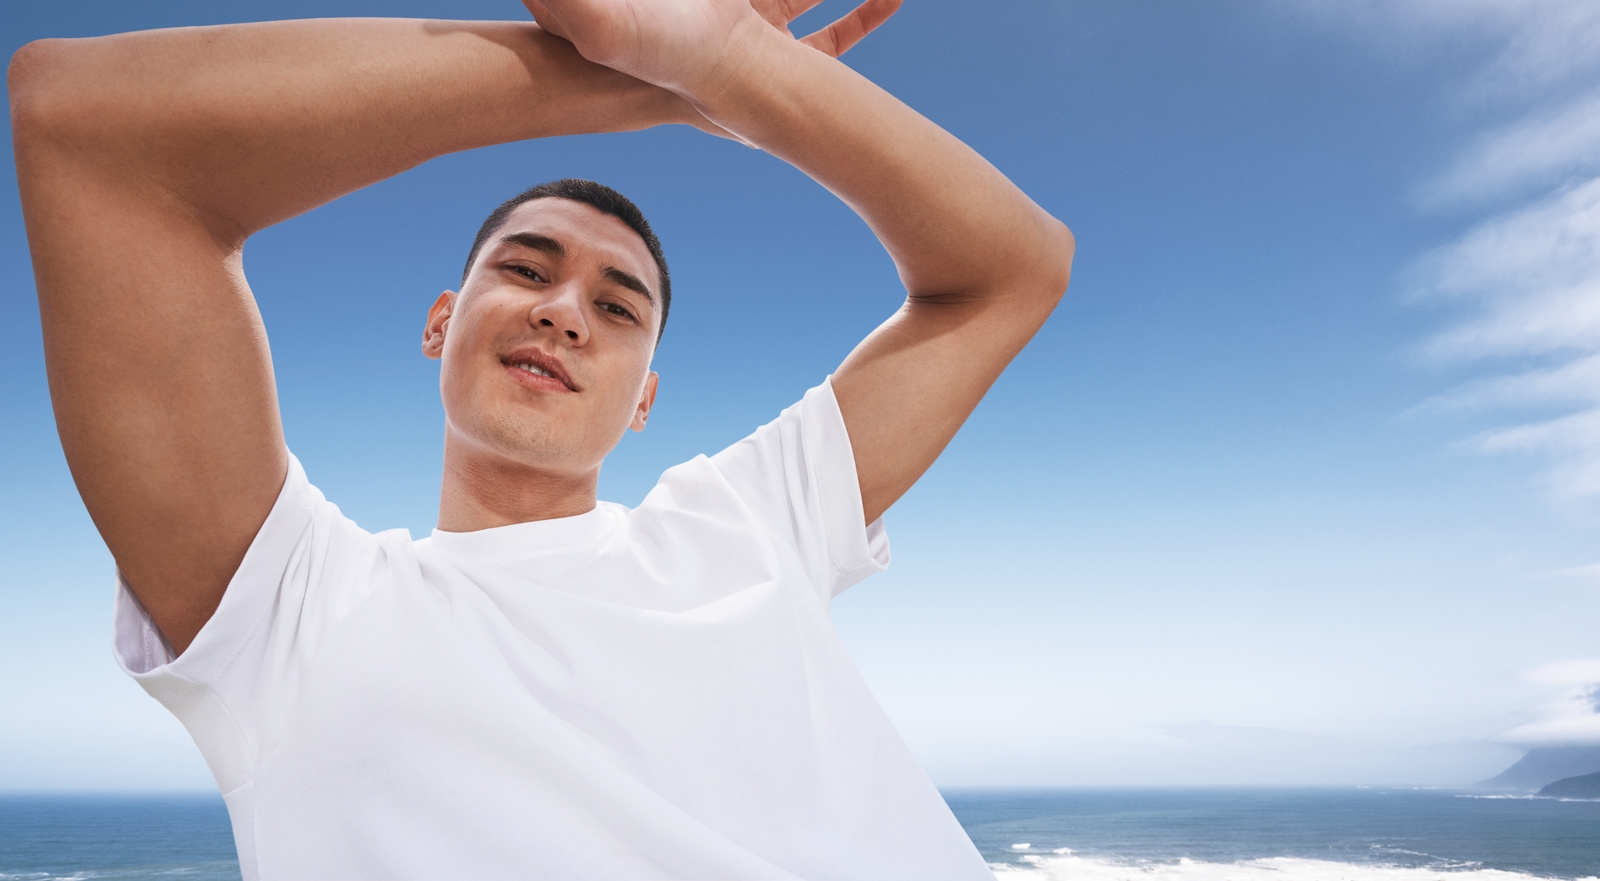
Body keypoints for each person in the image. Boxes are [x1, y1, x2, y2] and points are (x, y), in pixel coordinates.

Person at [9, 0, 1073, 876]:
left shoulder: (745, 521)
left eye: (618, 308)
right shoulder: (290, 613)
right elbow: (84, 125)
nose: (565, 311)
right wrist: (643, 78)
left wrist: (731, 56)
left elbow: (1015, 268)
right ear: (440, 322)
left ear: (643, 398)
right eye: (524, 268)